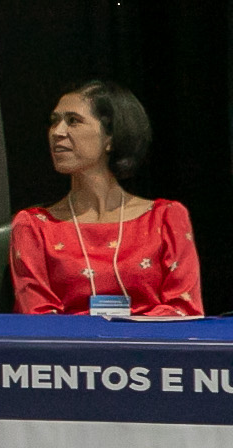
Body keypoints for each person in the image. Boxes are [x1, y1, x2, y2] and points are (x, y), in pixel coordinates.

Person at [11, 82, 201, 319]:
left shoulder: (166, 218)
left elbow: (184, 310)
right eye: (54, 121)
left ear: (111, 136)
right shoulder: (34, 226)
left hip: (151, 342)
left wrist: (122, 335)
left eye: (73, 121)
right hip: (68, 344)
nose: (57, 132)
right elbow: (37, 317)